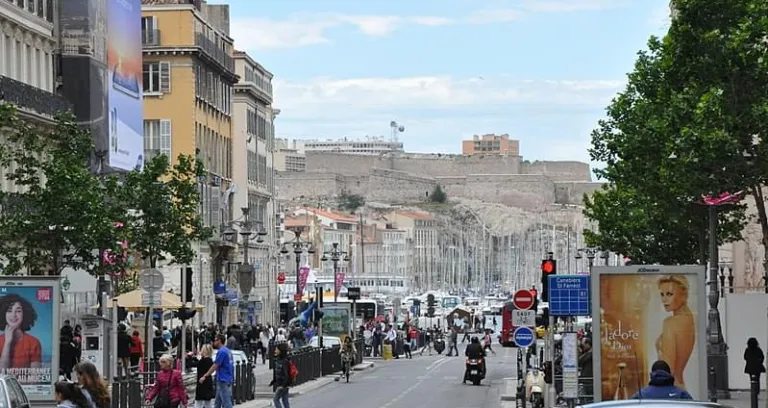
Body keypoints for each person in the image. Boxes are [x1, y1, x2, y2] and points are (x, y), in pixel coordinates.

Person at [0, 293, 42, 369]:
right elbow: (2, 373)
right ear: (3, 313)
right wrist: (7, 343)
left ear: (24, 314)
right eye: (9, 310)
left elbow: (36, 378)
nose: (13, 315)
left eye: (18, 311)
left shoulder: (33, 342)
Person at [199, 334, 233, 408]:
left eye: (215, 340)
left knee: (226, 403)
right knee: (217, 402)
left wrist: (205, 375)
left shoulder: (221, 352)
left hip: (222, 379)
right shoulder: (228, 351)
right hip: (226, 378)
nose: (214, 342)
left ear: (219, 341)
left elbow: (215, 365)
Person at [270, 342, 291, 408]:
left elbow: (285, 374)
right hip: (284, 384)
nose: (275, 351)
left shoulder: (284, 361)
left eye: (277, 349)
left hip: (282, 384)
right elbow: (278, 372)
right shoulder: (279, 360)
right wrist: (274, 381)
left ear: (281, 351)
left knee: (276, 400)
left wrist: (283, 385)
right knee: (285, 400)